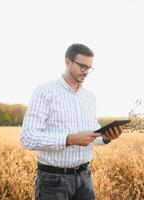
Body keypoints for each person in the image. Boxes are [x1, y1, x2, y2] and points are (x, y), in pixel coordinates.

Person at [20, 43, 124, 200]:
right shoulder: (45, 91)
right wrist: (70, 139)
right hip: (53, 180)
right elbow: (27, 137)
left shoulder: (89, 97)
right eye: (82, 66)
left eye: (89, 68)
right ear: (67, 62)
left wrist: (106, 137)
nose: (86, 72)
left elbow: (92, 133)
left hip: (84, 177)